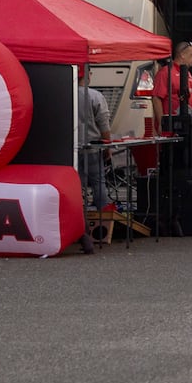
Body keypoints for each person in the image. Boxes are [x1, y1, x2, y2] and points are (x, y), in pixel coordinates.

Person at [77, 67, 112, 255]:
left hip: (73, 149)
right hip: (93, 147)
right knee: (99, 185)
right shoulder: (95, 96)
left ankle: (81, 228)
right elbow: (104, 125)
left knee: (78, 189)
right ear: (88, 75)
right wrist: (108, 147)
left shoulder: (67, 94)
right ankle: (102, 226)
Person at [152, 40, 192, 135]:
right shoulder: (166, 72)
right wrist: (161, 123)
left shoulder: (187, 73)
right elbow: (156, 98)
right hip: (172, 126)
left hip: (188, 125)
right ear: (182, 55)